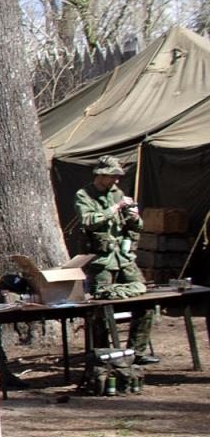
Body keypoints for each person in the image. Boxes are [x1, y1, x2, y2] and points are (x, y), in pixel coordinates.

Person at [76, 156, 157, 364]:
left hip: (124, 258)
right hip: (101, 260)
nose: (116, 181)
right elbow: (87, 220)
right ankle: (102, 356)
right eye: (112, 176)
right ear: (100, 175)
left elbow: (135, 227)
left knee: (145, 301)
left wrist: (133, 217)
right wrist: (113, 209)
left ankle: (135, 353)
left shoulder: (117, 193)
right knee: (100, 308)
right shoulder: (85, 195)